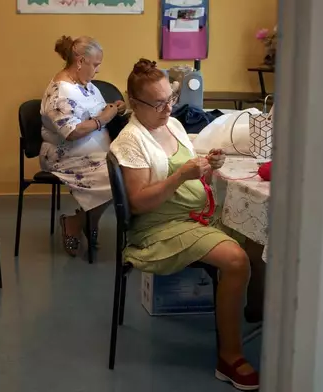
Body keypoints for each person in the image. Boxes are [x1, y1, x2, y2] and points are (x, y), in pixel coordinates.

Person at [109, 59, 259, 391]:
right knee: (236, 261)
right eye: (158, 103)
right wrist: (181, 176)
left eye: (170, 99)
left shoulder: (172, 125)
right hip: (158, 227)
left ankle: (249, 314)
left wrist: (207, 163)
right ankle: (229, 356)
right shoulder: (130, 140)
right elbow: (138, 203)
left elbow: (188, 167)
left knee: (258, 235)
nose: (168, 108)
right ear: (135, 104)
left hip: (194, 214)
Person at [40, 35, 125, 256]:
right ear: (80, 62)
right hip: (65, 156)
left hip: (97, 153)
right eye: (95, 64)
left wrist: (114, 108)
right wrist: (103, 119)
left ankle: (82, 221)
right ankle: (77, 223)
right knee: (118, 179)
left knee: (132, 171)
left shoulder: (85, 85)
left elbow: (95, 110)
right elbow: (72, 131)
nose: (97, 70)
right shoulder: (60, 92)